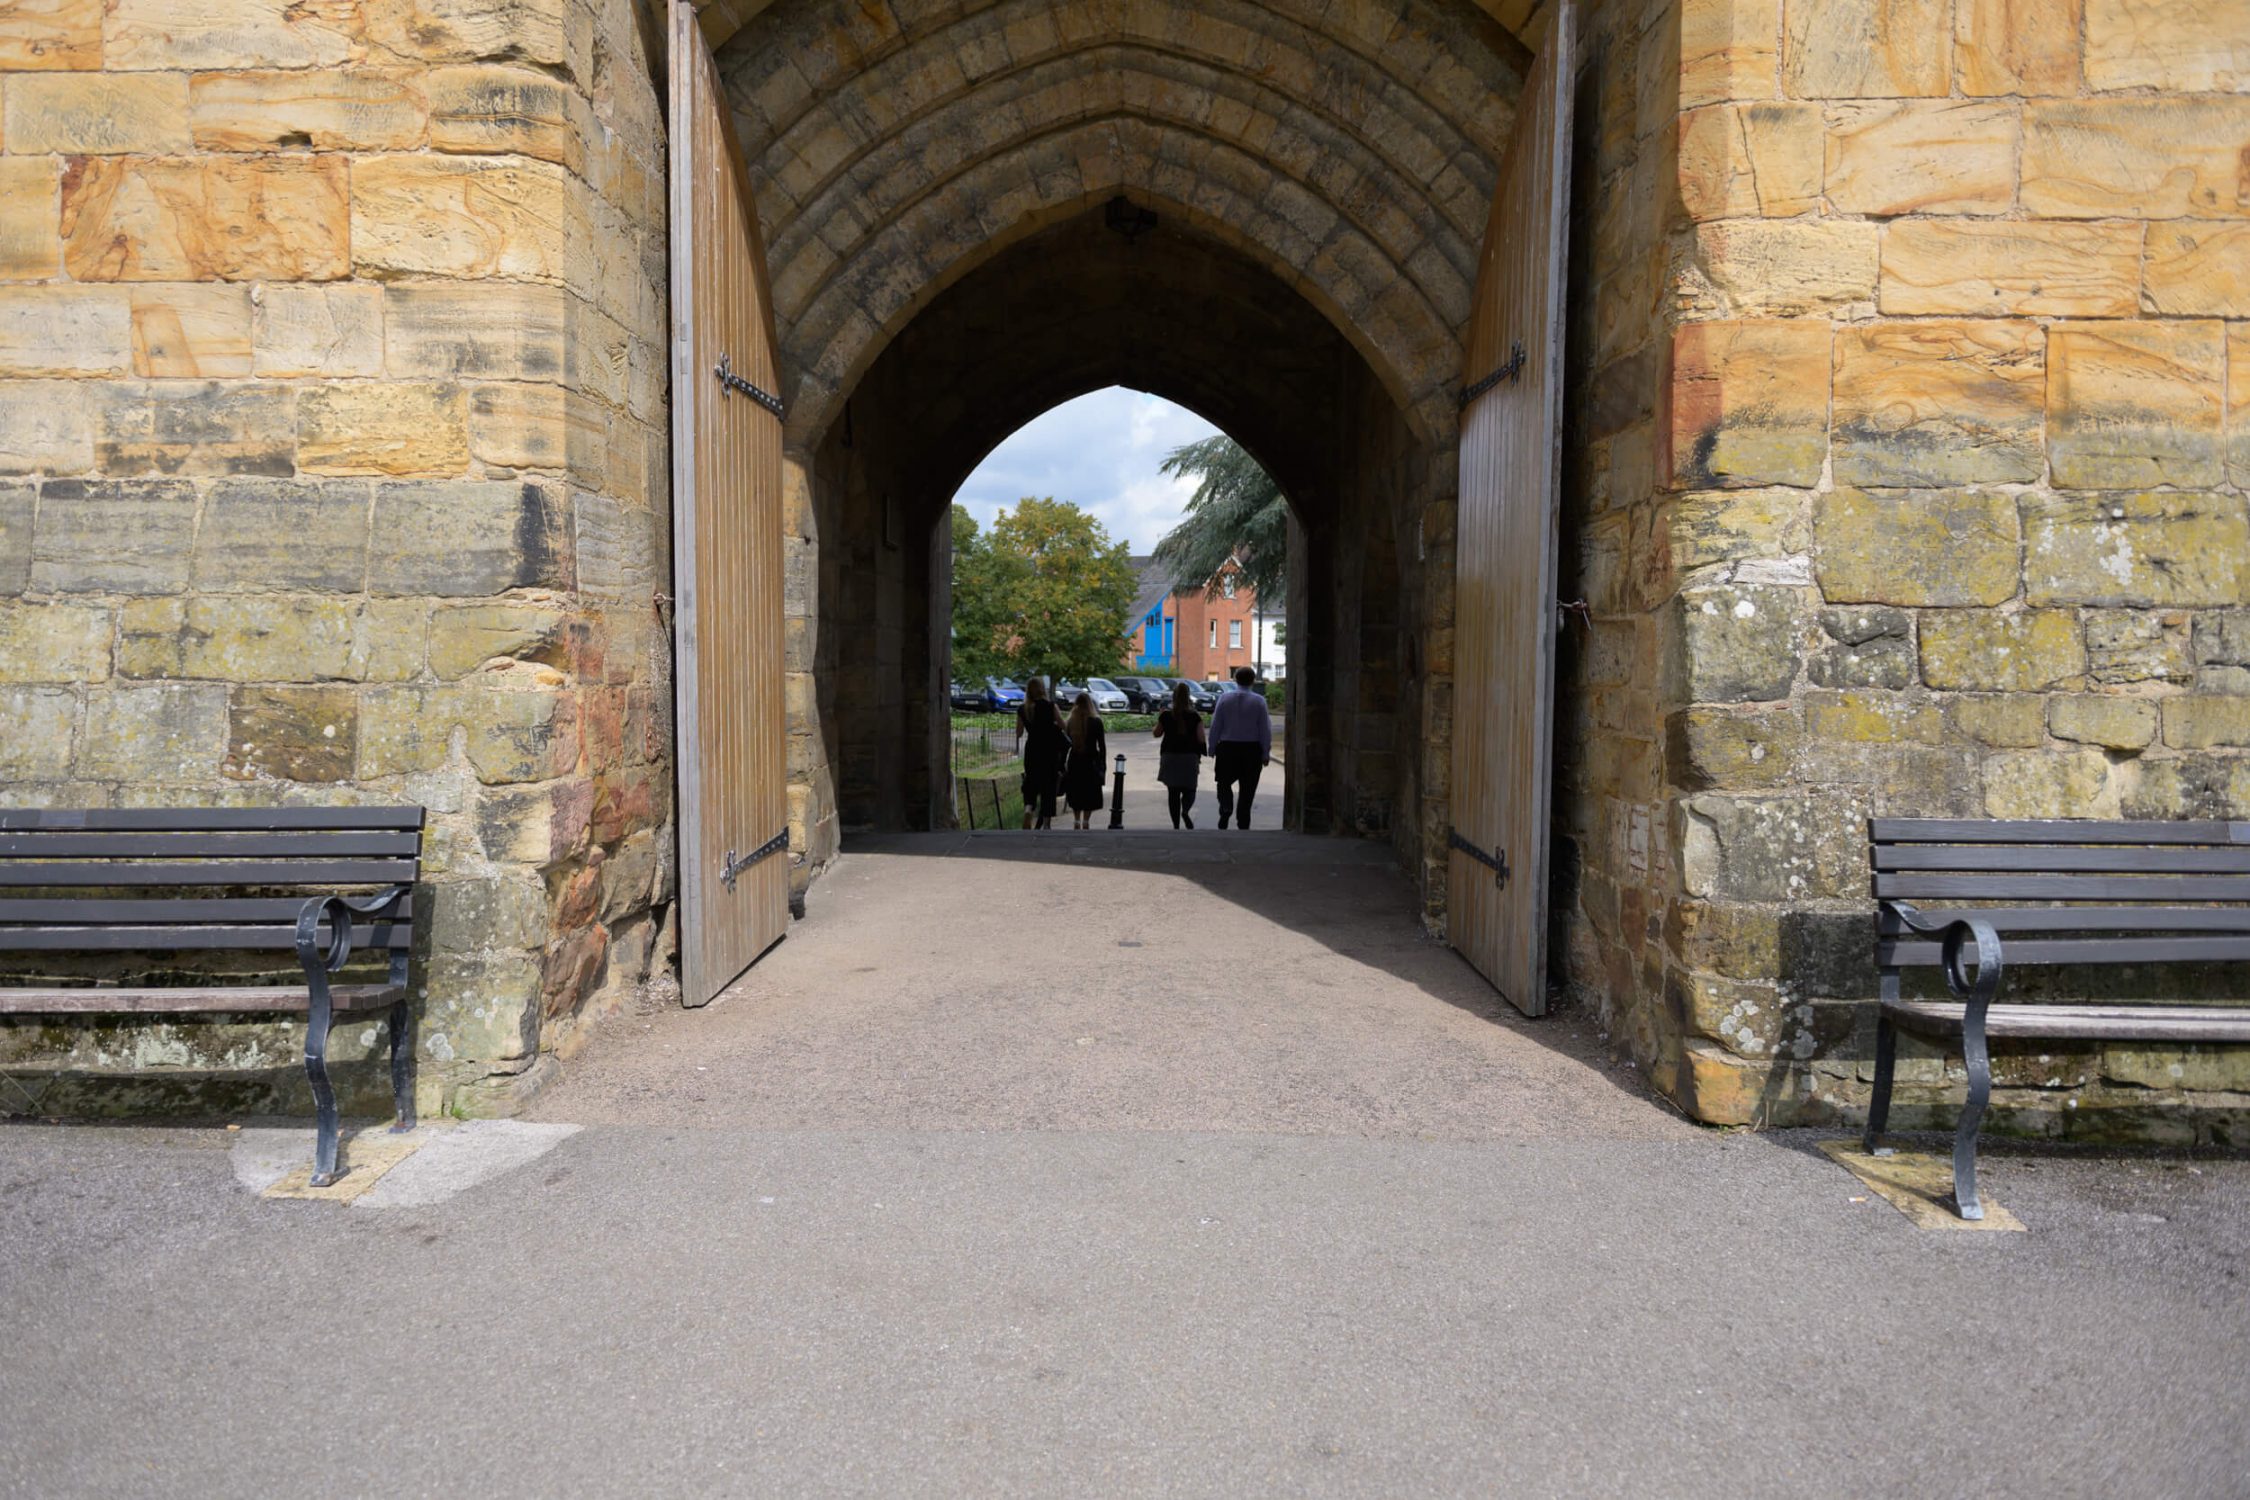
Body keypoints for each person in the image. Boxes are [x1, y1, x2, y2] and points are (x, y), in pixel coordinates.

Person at [1207, 665, 1271, 830]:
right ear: (1252, 680)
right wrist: (1265, 752)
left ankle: (1226, 806)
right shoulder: (1259, 701)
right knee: (1247, 789)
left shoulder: (1224, 699)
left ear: (1235, 679)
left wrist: (1212, 747)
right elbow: (1264, 729)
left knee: (1223, 783)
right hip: (1251, 750)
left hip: (1227, 748)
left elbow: (1216, 724)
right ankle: (1243, 822)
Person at [1152, 681, 1205, 828]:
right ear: (1188, 697)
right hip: (1189, 757)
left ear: (1173, 698)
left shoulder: (1166, 715)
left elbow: (1157, 734)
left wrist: (1158, 720)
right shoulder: (1195, 716)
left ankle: (1176, 825)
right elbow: (1201, 738)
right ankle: (1186, 811)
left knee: (1173, 792)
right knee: (1190, 789)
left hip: (1170, 756)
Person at [1015, 676, 1064, 829]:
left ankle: (1028, 809)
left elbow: (1019, 733)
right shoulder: (1051, 706)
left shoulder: (1023, 709)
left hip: (1032, 750)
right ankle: (1047, 824)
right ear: (1042, 689)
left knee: (1031, 781)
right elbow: (1063, 725)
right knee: (1048, 786)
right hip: (1049, 750)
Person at [1062, 692, 1108, 830]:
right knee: (1089, 793)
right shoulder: (1096, 722)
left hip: (1075, 761)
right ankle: (1086, 821)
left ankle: (1076, 820)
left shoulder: (1070, 722)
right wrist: (1103, 764)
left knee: (1076, 791)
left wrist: (1062, 764)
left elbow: (1065, 744)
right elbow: (1102, 745)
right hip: (1091, 761)